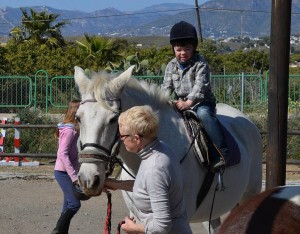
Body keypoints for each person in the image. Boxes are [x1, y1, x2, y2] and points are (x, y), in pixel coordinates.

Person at [104, 105, 192, 234]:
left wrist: (134, 228)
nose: (121, 140)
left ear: (137, 138)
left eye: (122, 137)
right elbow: (147, 187)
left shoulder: (154, 168)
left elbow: (162, 226)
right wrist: (113, 183)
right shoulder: (162, 149)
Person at [162, 21, 227, 172]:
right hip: (180, 102)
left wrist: (189, 103)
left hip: (201, 101)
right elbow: (166, 87)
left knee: (204, 115)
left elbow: (200, 86)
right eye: (178, 49)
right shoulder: (171, 65)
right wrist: (163, 101)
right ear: (173, 49)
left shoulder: (201, 63)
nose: (182, 53)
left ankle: (220, 153)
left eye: (187, 49)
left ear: (194, 48)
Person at [51, 100, 81, 234]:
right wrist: (74, 177)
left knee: (67, 206)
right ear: (77, 112)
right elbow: (62, 154)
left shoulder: (73, 129)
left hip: (68, 172)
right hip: (63, 173)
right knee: (75, 204)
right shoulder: (69, 131)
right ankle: (57, 230)